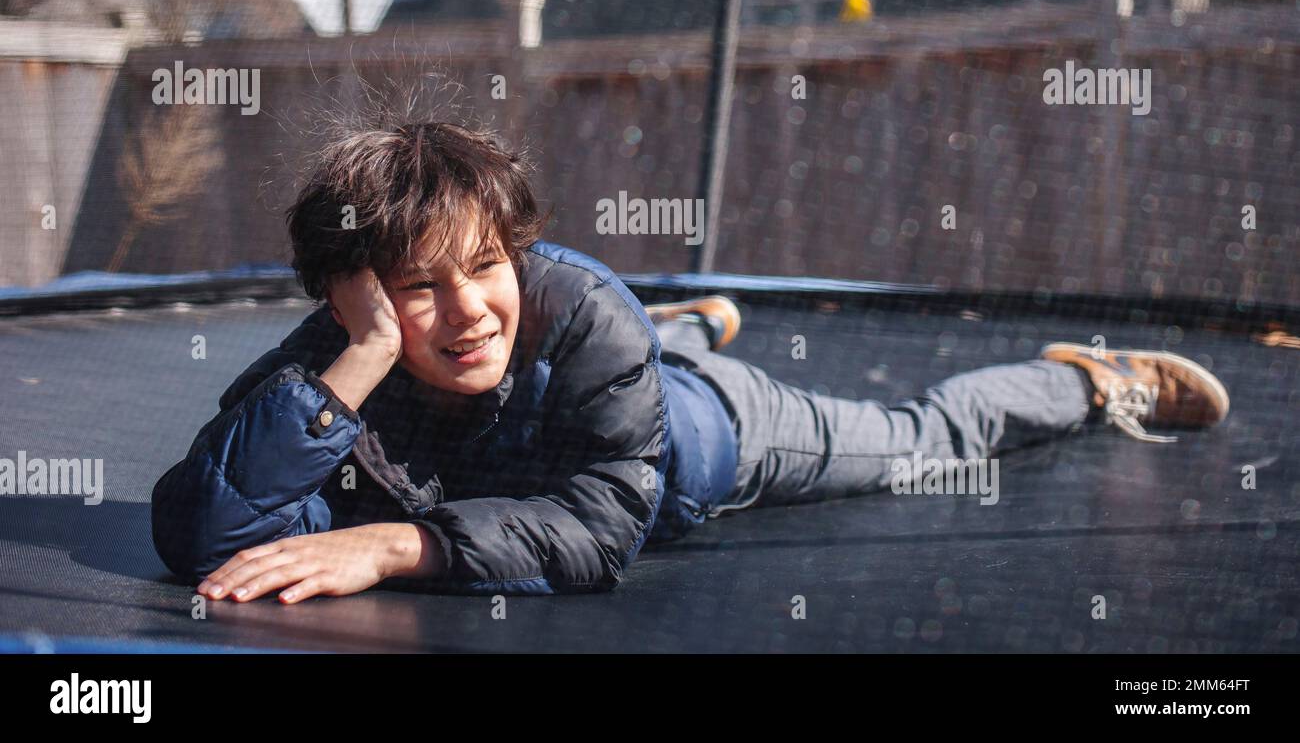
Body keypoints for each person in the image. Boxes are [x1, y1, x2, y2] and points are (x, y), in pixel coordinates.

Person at [151, 120, 1229, 601]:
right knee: (611, 349)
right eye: (418, 287)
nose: (468, 310)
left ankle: (1090, 377)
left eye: (485, 264)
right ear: (356, 299)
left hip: (718, 434)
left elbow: (598, 527)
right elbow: (198, 530)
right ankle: (688, 317)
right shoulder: (333, 362)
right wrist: (361, 361)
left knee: (921, 440)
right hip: (604, 373)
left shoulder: (573, 309)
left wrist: (400, 545)